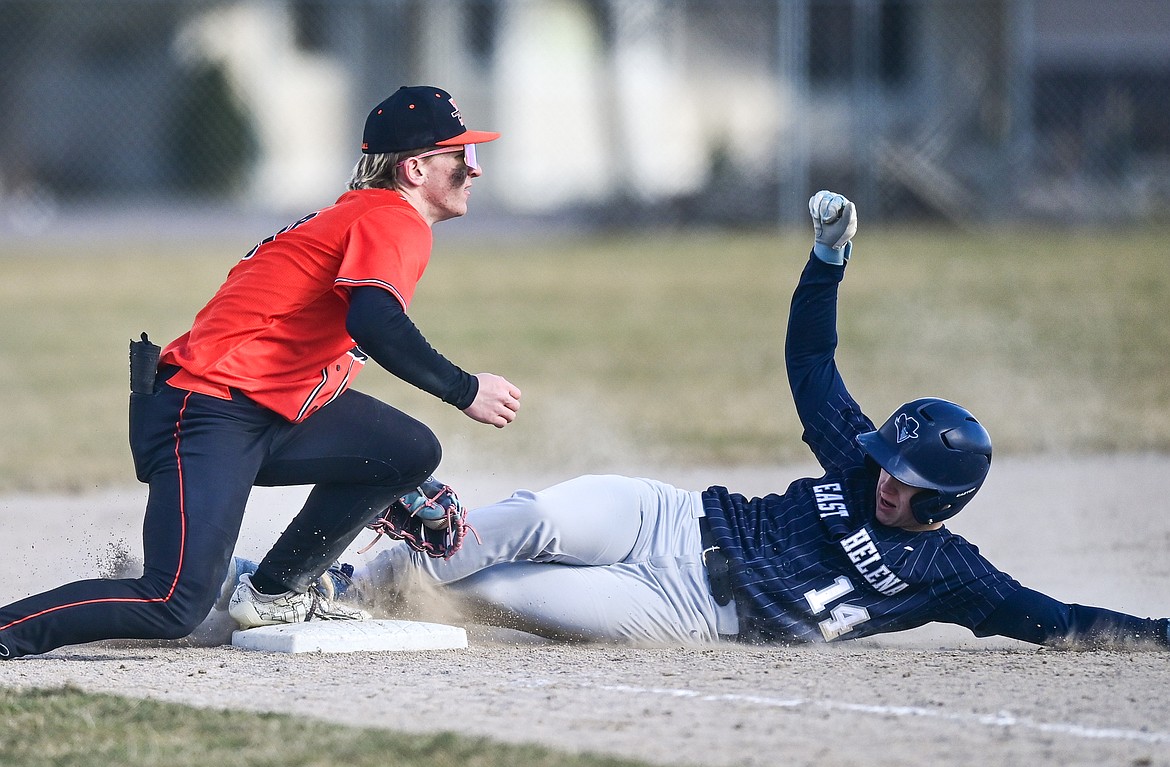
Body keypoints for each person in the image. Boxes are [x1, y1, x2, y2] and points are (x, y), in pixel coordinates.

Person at [242, 190, 1170, 649]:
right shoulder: (859, 463)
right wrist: (828, 260)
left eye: (908, 482)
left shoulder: (951, 575)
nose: (887, 481)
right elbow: (811, 363)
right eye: (889, 462)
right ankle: (318, 579)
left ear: (948, 504)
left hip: (688, 610)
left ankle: (344, 593)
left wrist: (1158, 633)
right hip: (673, 517)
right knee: (534, 516)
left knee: (501, 589)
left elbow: (1055, 617)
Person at [0, 85, 521, 660]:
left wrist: (380, 478)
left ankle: (275, 592)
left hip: (258, 408)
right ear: (415, 168)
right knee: (172, 604)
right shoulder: (392, 219)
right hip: (204, 412)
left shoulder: (365, 215)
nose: (474, 170)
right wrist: (465, 390)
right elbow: (376, 321)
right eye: (462, 156)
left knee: (406, 452)